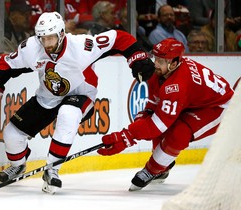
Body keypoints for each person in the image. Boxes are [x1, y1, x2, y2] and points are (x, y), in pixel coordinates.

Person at [0, 11, 155, 194]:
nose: (47, 44)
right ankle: (18, 165)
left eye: (50, 38)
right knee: (12, 134)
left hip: (81, 94)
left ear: (61, 34)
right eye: (42, 39)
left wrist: (137, 58)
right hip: (48, 97)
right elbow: (8, 64)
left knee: (68, 114)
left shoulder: (82, 46)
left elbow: (119, 38)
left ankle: (52, 170)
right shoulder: (31, 47)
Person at [97, 38, 234, 191]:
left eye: (161, 61)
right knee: (150, 119)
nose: (155, 64)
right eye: (156, 59)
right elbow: (154, 108)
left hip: (219, 107)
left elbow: (158, 126)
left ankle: (152, 170)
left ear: (174, 64)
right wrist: (137, 124)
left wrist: (127, 136)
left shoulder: (177, 86)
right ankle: (164, 166)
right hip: (193, 102)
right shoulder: (162, 73)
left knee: (178, 134)